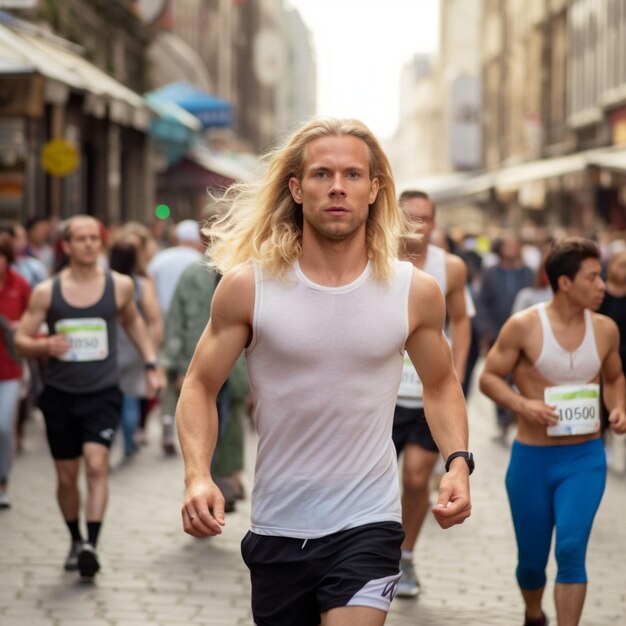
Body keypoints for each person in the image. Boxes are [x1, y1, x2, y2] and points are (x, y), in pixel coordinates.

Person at [176, 118, 473, 626]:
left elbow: (441, 383)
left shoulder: (414, 290)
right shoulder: (250, 287)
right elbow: (200, 385)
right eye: (322, 174)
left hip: (369, 522)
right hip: (278, 525)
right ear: (296, 187)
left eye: (353, 175)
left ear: (375, 190)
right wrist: (198, 476)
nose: (338, 187)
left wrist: (459, 463)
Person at [479, 237, 626, 626]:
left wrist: (618, 408)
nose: (602, 286)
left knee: (572, 547)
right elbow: (489, 378)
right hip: (532, 459)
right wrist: (522, 404)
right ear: (565, 282)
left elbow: (614, 377)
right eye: (593, 278)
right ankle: (532, 612)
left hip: (584, 458)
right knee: (530, 563)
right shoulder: (525, 326)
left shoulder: (606, 329)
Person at [15, 215, 162, 580]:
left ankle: (92, 546)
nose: (87, 245)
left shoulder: (120, 286)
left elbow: (134, 323)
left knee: (97, 466)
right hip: (60, 395)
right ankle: (75, 539)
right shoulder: (47, 291)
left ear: (101, 243)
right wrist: (43, 345)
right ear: (66, 245)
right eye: (79, 239)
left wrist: (150, 362)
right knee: (67, 477)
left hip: (102, 393)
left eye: (93, 239)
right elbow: (20, 339)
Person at [392, 190, 472, 598]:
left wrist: (455, 366)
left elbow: (461, 320)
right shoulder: (377, 258)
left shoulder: (450, 268)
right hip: (385, 395)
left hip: (426, 393)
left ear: (435, 223)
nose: (417, 226)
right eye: (410, 218)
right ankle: (375, 551)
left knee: (416, 477)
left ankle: (405, 556)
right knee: (380, 480)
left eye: (425, 218)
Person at [160, 261, 250, 511]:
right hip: (198, 362)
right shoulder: (193, 275)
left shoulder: (250, 271)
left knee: (229, 425)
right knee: (201, 425)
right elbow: (176, 323)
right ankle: (200, 484)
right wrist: (179, 366)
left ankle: (224, 485)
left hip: (236, 368)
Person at [148, 218, 204, 454]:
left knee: (169, 372)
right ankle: (192, 430)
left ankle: (168, 421)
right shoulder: (200, 262)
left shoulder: (160, 258)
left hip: (162, 322)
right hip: (195, 325)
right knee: (194, 375)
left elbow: (150, 288)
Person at [477, 234, 534, 443]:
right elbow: (482, 303)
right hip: (498, 334)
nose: (511, 249)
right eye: (507, 244)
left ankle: (518, 418)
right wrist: (486, 330)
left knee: (521, 378)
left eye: (514, 244)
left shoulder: (528, 273)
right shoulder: (491, 273)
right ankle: (502, 420)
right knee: (499, 378)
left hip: (525, 337)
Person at [0, 234, 31, 509]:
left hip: (9, 368)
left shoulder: (19, 284)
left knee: (3, 427)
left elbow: (33, 322)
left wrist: (19, 325)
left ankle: (3, 481)